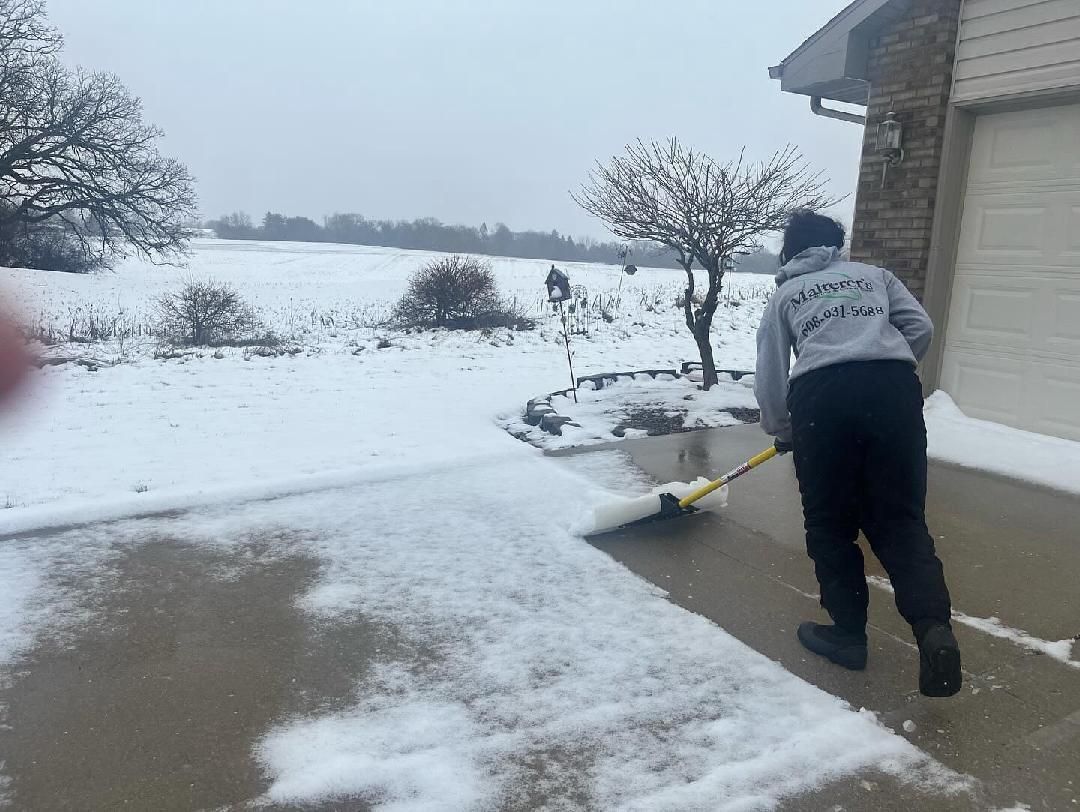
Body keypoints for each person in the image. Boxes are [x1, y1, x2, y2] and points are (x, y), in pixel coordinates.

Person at [754, 210, 961, 698]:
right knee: (901, 520)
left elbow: (770, 373)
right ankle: (934, 630)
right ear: (834, 246)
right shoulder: (875, 277)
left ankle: (848, 637)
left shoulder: (785, 294)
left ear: (791, 251)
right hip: (892, 392)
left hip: (820, 400)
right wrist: (884, 364)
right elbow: (921, 327)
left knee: (830, 523)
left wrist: (783, 429)